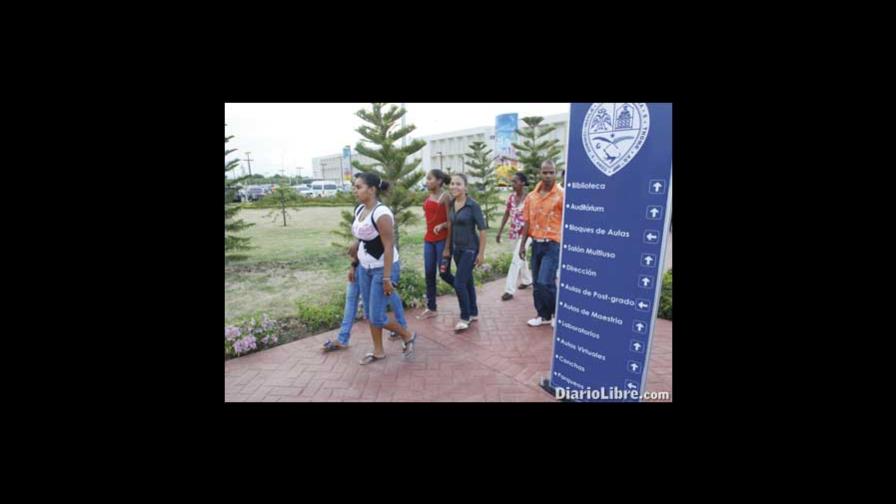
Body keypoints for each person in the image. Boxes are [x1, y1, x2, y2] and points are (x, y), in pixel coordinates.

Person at [351, 172, 417, 364]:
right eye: (355, 187)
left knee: (377, 316)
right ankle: (378, 351)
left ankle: (407, 335)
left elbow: (388, 246)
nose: (355, 191)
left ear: (372, 190)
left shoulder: (382, 213)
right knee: (371, 313)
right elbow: (362, 237)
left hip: (383, 269)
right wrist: (354, 260)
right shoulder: (359, 210)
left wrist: (387, 278)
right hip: (365, 267)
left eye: (359, 187)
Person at [320, 239, 409, 352]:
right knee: (352, 298)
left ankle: (403, 329)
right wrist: (353, 266)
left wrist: (387, 278)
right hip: (361, 265)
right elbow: (356, 246)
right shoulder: (359, 223)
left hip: (378, 267)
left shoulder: (379, 222)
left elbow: (383, 242)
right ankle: (343, 338)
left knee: (389, 295)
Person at [518, 160, 564, 327]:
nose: (548, 176)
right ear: (540, 173)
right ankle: (542, 315)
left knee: (546, 281)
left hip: (552, 244)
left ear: (556, 173)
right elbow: (527, 222)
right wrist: (523, 245)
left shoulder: (562, 195)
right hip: (536, 244)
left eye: (551, 172)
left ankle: (556, 314)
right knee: (537, 283)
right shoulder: (532, 197)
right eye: (545, 172)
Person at [442, 173, 487, 332]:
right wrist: (443, 230)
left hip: (470, 249)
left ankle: (465, 317)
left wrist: (481, 254)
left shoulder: (472, 205)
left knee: (459, 283)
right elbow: (452, 224)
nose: (454, 186)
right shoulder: (452, 203)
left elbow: (482, 230)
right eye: (452, 183)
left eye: (458, 184)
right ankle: (473, 311)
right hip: (457, 249)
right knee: (467, 281)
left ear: (465, 187)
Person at [418, 169, 453, 319]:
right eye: (427, 179)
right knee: (429, 274)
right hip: (429, 241)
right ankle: (431, 308)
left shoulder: (446, 197)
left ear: (439, 181)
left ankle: (463, 289)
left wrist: (447, 247)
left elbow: (452, 221)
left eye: (430, 179)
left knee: (444, 273)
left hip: (442, 241)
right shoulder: (429, 196)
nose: (427, 181)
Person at [496, 171, 532, 301]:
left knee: (516, 259)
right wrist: (500, 231)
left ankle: (509, 290)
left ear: (522, 183)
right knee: (522, 258)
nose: (513, 184)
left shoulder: (529, 198)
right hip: (514, 232)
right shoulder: (511, 197)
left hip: (526, 234)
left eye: (515, 181)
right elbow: (506, 213)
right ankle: (528, 280)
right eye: (512, 181)